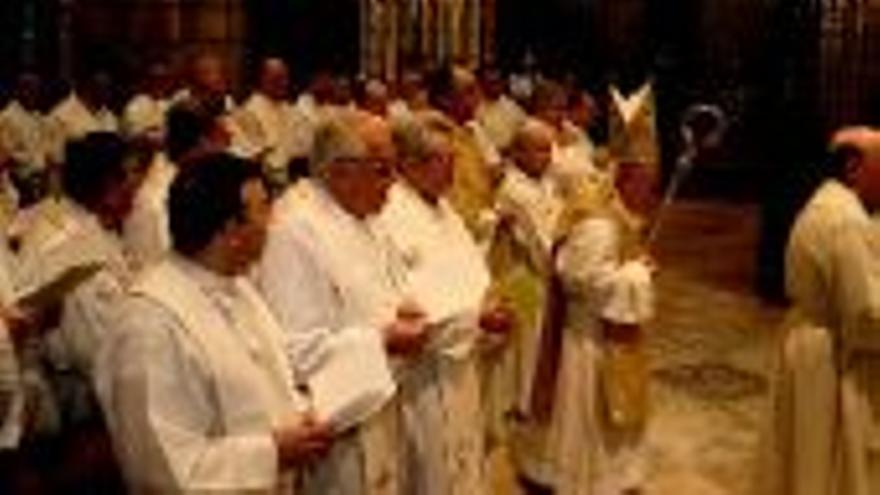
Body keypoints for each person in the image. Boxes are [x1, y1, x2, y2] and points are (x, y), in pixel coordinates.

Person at [95, 152, 332, 492]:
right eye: (264, 208)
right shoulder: (149, 325)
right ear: (230, 229)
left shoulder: (237, 286)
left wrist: (301, 415)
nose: (273, 222)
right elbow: (159, 469)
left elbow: (271, 378)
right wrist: (273, 452)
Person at [257, 113, 427, 495]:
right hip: (337, 432)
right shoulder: (295, 231)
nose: (395, 182)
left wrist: (405, 308)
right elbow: (294, 352)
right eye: (384, 170)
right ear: (341, 171)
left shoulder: (364, 218)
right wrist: (382, 340)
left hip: (382, 401)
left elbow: (384, 294)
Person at [376, 115, 513, 494]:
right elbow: (410, 305)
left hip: (464, 364)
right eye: (440, 158)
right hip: (425, 375)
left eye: (452, 157)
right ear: (408, 163)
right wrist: (476, 317)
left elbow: (469, 272)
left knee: (467, 461)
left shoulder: (444, 209)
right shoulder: (391, 217)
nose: (451, 167)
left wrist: (493, 303)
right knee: (434, 470)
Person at [767, 127, 880, 495]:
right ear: (854, 167)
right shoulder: (847, 221)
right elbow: (865, 315)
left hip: (804, 339)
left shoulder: (822, 203)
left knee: (800, 451)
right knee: (823, 460)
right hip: (828, 352)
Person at [548, 160, 656, 495]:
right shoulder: (599, 222)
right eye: (645, 183)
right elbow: (583, 282)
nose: (650, 193)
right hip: (591, 335)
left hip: (606, 332)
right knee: (589, 413)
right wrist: (638, 274)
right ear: (623, 178)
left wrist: (635, 265)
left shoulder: (615, 212)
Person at [490, 119, 566, 486]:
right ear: (517, 152)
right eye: (537, 148)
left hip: (539, 274)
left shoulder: (546, 181)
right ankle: (525, 407)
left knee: (532, 345)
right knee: (529, 345)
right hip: (526, 276)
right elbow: (542, 242)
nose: (546, 156)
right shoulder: (516, 190)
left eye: (549, 148)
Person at [124, 100, 231, 268]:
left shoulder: (200, 178)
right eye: (220, 140)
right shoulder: (155, 200)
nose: (225, 148)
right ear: (203, 142)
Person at [426, 65, 501, 242]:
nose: (479, 98)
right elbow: (450, 201)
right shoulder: (432, 137)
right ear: (445, 99)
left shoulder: (470, 131)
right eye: (469, 91)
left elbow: (491, 177)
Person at [236, 58, 314, 184]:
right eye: (276, 79)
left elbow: (304, 146)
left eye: (285, 78)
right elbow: (252, 154)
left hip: (296, 177)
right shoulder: (249, 112)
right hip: (266, 181)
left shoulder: (292, 111)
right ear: (262, 79)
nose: (282, 83)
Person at [47, 71, 119, 163]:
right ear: (88, 87)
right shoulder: (61, 115)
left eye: (109, 88)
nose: (108, 93)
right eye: (102, 87)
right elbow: (55, 159)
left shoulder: (110, 117)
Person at [122, 61, 175, 143]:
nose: (161, 84)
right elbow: (133, 136)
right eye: (156, 79)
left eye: (164, 79)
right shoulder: (135, 105)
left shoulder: (167, 104)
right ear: (147, 81)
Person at [476, 67, 526, 151]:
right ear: (482, 84)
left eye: (498, 82)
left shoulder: (512, 106)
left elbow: (524, 127)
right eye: (492, 83)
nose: (497, 86)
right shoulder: (477, 109)